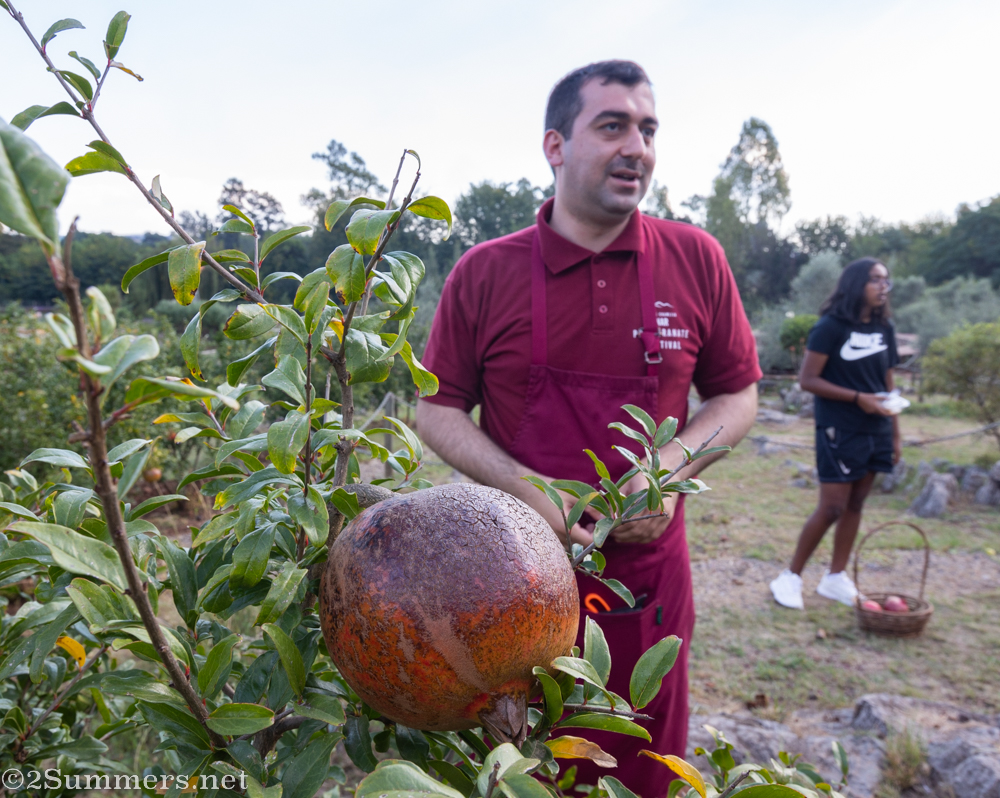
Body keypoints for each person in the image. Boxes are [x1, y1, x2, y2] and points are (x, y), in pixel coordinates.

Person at [416, 60, 760, 796]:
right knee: (526, 761)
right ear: (555, 145)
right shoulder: (484, 272)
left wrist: (665, 470)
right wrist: (535, 492)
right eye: (612, 126)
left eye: (648, 129)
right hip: (509, 582)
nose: (636, 145)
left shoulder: (696, 259)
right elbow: (435, 407)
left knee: (641, 758)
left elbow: (737, 395)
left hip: (647, 584)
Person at [770, 258, 900, 610]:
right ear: (856, 284)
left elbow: (888, 384)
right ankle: (790, 577)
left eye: (885, 280)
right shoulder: (830, 326)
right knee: (831, 507)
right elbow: (807, 380)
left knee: (857, 503)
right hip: (839, 428)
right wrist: (859, 399)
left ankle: (835, 578)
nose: (882, 286)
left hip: (877, 428)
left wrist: (896, 434)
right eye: (874, 279)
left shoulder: (884, 328)